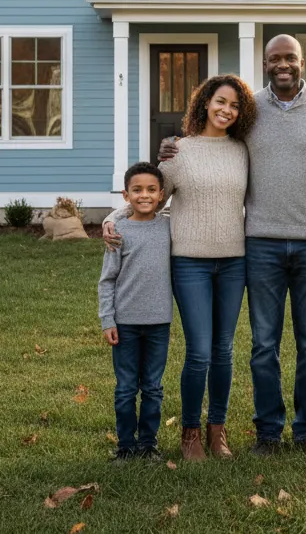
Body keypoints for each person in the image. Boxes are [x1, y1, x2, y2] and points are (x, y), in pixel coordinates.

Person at [158, 34, 306, 459]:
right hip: (260, 244)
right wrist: (176, 146)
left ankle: (305, 433)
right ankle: (268, 433)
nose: (282, 65)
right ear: (265, 63)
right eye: (274, 59)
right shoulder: (251, 110)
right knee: (263, 345)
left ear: (302, 62)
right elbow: (216, 143)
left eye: (290, 58)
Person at [102, 75, 256, 462]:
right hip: (189, 263)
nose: (227, 110)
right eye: (221, 101)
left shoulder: (243, 150)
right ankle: (189, 433)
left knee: (224, 351)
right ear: (205, 102)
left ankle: (216, 430)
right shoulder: (178, 153)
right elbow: (147, 195)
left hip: (234, 261)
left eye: (235, 106)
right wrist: (111, 217)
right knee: (200, 352)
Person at [97, 162, 171, 462]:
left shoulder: (168, 227)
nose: (144, 195)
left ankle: (148, 444)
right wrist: (107, 319)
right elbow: (107, 280)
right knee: (126, 388)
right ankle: (126, 446)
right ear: (126, 195)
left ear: (161, 195)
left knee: (153, 387)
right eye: (137, 190)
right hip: (125, 324)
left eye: (151, 190)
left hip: (158, 323)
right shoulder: (118, 233)